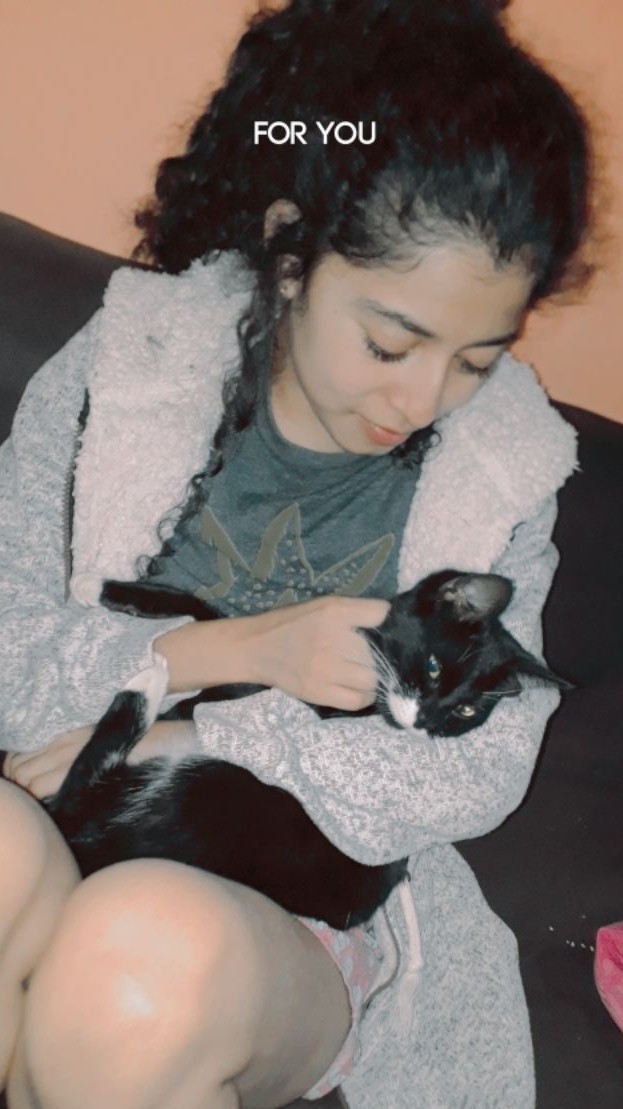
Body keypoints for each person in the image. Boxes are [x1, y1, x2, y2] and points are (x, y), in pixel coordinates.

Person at [0, 0, 597, 1106]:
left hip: (296, 916)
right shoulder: (124, 368)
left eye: (475, 358)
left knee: (137, 952)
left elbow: (473, 772)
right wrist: (248, 648)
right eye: (389, 341)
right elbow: (7, 650)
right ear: (289, 252)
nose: (423, 398)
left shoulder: (505, 466)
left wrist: (197, 730)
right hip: (61, 818)